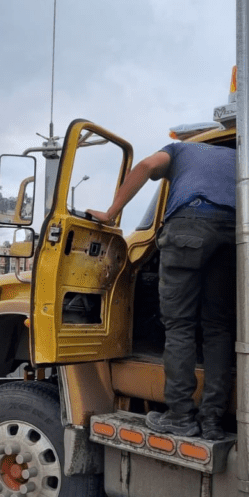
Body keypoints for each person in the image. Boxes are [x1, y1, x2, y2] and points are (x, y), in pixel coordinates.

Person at [88, 141, 236, 442]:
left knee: (180, 326)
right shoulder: (243, 156)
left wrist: (111, 212)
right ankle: (212, 421)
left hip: (189, 227)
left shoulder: (179, 150)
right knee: (218, 328)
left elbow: (146, 166)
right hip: (234, 231)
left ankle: (180, 417)